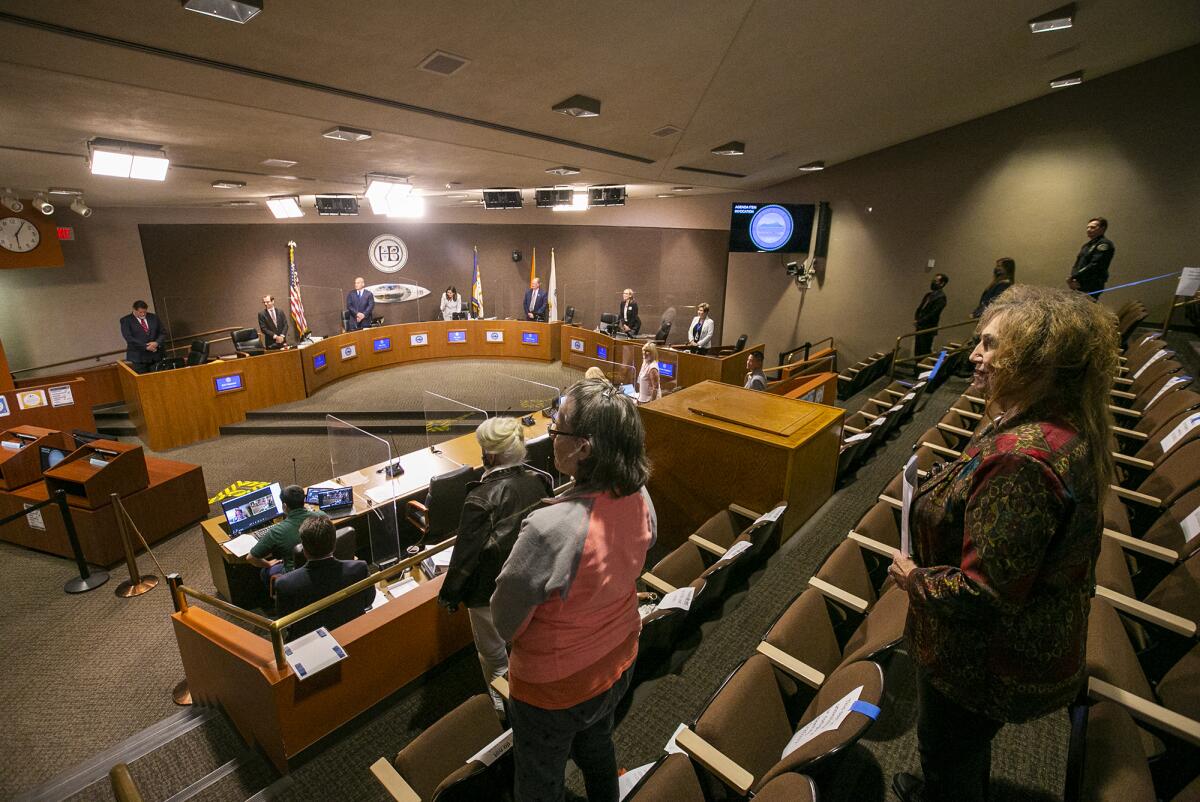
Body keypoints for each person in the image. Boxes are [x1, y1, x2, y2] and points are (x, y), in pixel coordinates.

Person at [888, 285, 1117, 802]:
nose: (975, 355)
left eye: (990, 345)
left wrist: (913, 577)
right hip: (1020, 641)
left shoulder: (1022, 461)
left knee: (947, 751)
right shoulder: (1059, 424)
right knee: (964, 747)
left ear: (1037, 361)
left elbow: (983, 595)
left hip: (982, 662)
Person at [492, 379, 656, 802]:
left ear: (583, 447)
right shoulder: (640, 495)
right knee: (596, 740)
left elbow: (506, 621)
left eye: (557, 427)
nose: (551, 434)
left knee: (539, 783)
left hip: (555, 689)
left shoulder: (550, 529)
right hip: (620, 659)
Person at [439, 417, 552, 715]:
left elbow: (465, 559)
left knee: (493, 656)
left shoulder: (479, 498)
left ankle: (503, 711)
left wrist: (449, 596)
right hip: (535, 580)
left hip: (489, 593)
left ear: (489, 456)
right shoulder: (540, 480)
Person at [275, 515, 372, 640]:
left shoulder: (284, 584)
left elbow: (284, 620)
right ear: (334, 544)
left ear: (304, 549)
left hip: (310, 643)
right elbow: (368, 601)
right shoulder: (359, 568)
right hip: (354, 634)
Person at [246, 484, 317, 587]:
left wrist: (268, 564)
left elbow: (251, 558)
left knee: (264, 572)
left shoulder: (277, 531)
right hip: (319, 566)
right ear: (304, 501)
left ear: (284, 506)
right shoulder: (321, 517)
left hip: (294, 576)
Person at [1068, 216, 1115, 299]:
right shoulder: (1087, 246)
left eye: (1093, 227)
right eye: (1088, 227)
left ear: (1102, 229)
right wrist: (1073, 278)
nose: (1089, 230)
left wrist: (1075, 276)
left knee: (1085, 308)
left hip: (1092, 284)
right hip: (1080, 283)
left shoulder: (1104, 244)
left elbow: (1095, 264)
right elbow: (1077, 264)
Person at [119, 300, 166, 374]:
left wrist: (156, 343)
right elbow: (128, 338)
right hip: (139, 357)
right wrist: (145, 346)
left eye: (145, 312)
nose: (143, 314)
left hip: (156, 355)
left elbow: (162, 333)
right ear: (134, 310)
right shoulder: (126, 320)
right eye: (140, 312)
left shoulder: (153, 317)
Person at [913, 273, 949, 356]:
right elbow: (920, 308)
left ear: (942, 283)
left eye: (935, 281)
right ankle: (916, 367)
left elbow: (933, 313)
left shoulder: (941, 297)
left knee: (924, 351)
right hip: (920, 327)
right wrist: (916, 318)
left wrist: (921, 321)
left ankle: (924, 368)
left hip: (928, 328)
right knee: (917, 351)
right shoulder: (928, 295)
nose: (932, 283)